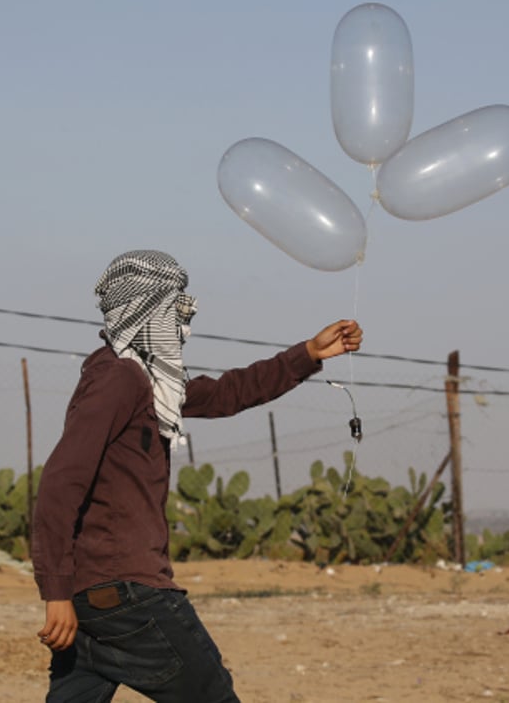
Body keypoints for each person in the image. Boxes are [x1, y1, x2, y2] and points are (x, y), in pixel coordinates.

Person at [31, 250, 363, 702]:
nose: (183, 319)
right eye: (174, 307)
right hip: (129, 593)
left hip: (95, 601)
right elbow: (60, 482)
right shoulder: (120, 379)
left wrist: (307, 354)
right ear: (148, 310)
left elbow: (227, 393)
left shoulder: (149, 381)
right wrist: (54, 592)